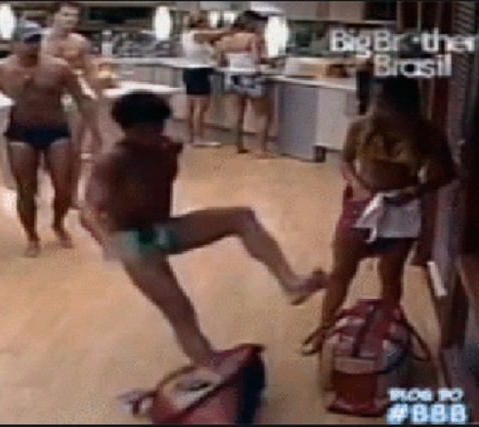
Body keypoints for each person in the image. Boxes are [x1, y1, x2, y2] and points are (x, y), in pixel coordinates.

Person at [80, 91, 327, 369]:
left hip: (164, 228)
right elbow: (88, 211)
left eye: (158, 126)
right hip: (134, 241)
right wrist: (109, 244)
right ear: (128, 129)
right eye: (146, 130)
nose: (154, 134)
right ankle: (207, 362)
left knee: (242, 217)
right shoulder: (112, 161)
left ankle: (291, 284)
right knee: (178, 308)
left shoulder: (165, 148)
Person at [300, 75, 456, 355]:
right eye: (378, 99)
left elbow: (447, 172)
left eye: (387, 101)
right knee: (341, 272)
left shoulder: (426, 132)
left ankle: (387, 333)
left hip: (401, 211)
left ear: (406, 104)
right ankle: (324, 329)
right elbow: (345, 160)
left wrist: (416, 191)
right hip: (361, 207)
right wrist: (357, 185)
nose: (381, 106)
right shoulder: (361, 126)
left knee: (391, 277)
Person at [0, 22, 88, 257]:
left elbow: (81, 99)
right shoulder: (0, 70)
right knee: (26, 189)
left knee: (63, 187)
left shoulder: (58, 67)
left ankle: (58, 223)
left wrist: (93, 133)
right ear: (14, 44)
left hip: (55, 129)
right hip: (20, 132)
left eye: (37, 40)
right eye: (28, 41)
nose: (34, 46)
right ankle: (31, 235)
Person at [41, 1, 104, 204]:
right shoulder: (41, 41)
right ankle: (49, 190)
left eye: (74, 16)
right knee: (47, 146)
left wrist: (94, 92)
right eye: (66, 15)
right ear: (54, 17)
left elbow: (89, 70)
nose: (70, 20)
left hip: (74, 97)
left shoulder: (80, 42)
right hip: (47, 98)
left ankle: (73, 194)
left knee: (75, 148)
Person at [215, 10, 271, 156]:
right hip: (251, 76)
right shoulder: (253, 38)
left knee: (237, 113)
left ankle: (237, 145)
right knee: (261, 114)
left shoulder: (226, 39)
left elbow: (220, 61)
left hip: (232, 76)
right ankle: (260, 148)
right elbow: (257, 59)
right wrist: (268, 60)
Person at [179, 12, 234, 148]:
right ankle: (199, 138)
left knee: (191, 106)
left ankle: (190, 137)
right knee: (200, 107)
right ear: (200, 23)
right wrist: (231, 29)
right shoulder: (197, 34)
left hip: (190, 70)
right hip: (199, 72)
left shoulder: (186, 35)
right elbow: (218, 34)